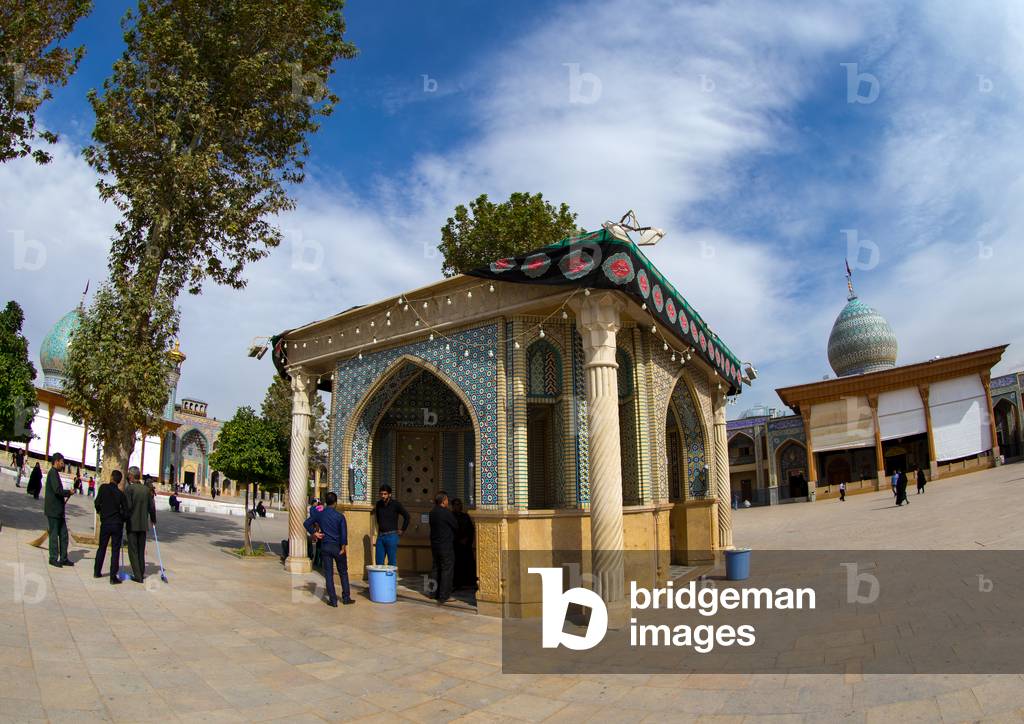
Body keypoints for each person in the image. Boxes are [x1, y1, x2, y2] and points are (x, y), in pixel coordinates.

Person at [303, 492, 354, 607]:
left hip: (325, 546)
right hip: (338, 547)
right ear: (336, 502)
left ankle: (333, 600)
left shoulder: (320, 514)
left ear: (326, 502)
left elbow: (306, 523)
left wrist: (314, 533)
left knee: (329, 574)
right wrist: (343, 547)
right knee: (343, 572)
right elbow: (344, 534)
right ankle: (346, 598)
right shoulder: (340, 517)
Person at [94, 470, 128, 584]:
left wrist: (100, 512)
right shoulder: (120, 494)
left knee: (102, 547)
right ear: (119, 481)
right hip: (116, 524)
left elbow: (97, 503)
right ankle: (113, 577)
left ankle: (97, 571)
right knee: (115, 550)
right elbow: (126, 512)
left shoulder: (103, 488)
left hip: (106, 522)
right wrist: (122, 519)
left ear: (111, 477)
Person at [125, 466, 156, 583]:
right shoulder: (146, 490)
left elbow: (127, 506)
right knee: (141, 549)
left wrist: (123, 518)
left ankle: (137, 575)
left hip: (132, 524)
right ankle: (141, 572)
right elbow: (151, 507)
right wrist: (153, 519)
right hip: (143, 524)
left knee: (133, 550)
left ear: (131, 476)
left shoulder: (130, 489)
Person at [43, 452, 73, 567]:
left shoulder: (55, 473)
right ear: (56, 462)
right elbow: (57, 490)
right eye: (62, 462)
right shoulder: (52, 473)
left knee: (64, 534)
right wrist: (68, 492)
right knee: (54, 535)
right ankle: (53, 558)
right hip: (53, 510)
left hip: (59, 511)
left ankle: (64, 558)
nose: (63, 465)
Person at [428, 491, 458, 604]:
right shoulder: (446, 513)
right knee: (447, 569)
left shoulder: (432, 512)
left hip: (435, 544)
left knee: (435, 568)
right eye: (447, 500)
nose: (447, 502)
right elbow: (455, 525)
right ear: (443, 500)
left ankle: (432, 592)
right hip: (445, 545)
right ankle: (444, 595)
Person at [373, 484, 410, 567]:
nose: (383, 496)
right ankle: (381, 576)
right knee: (379, 562)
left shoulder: (396, 504)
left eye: (385, 494)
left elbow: (407, 516)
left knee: (392, 562)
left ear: (389, 494)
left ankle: (391, 576)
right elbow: (378, 519)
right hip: (381, 537)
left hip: (392, 536)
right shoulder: (378, 504)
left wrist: (402, 529)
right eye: (381, 494)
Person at [451, 498, 476, 590]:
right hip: (455, 546)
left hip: (466, 545)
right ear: (453, 506)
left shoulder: (465, 516)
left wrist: (467, 539)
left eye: (460, 504)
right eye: (457, 504)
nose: (459, 506)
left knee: (468, 563)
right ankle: (457, 583)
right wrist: (458, 540)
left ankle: (468, 582)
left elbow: (471, 529)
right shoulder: (450, 516)